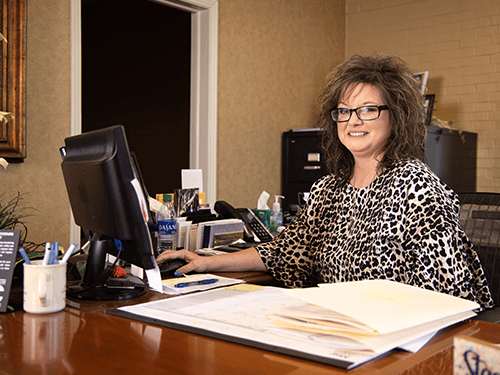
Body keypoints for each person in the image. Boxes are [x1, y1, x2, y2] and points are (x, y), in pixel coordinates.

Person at [157, 53, 494, 309]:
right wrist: (206, 262)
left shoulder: (419, 190)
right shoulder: (328, 189)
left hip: (396, 341)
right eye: (344, 111)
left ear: (397, 116)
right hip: (338, 328)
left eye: (367, 110)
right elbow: (286, 253)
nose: (352, 120)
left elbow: (448, 299)